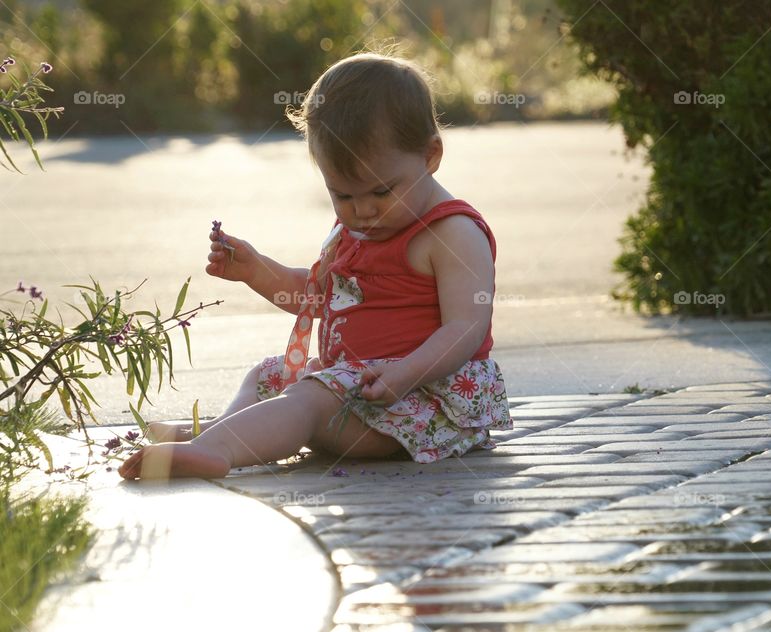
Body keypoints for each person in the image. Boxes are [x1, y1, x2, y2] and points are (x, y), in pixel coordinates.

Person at [119, 51, 513, 480]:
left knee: (308, 399)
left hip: (420, 407)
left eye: (382, 192)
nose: (363, 210)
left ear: (431, 155)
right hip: (351, 391)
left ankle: (220, 451)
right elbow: (317, 298)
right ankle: (218, 433)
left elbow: (465, 329)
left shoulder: (450, 232)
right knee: (268, 375)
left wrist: (403, 375)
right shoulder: (357, 231)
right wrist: (256, 270)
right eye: (342, 195)